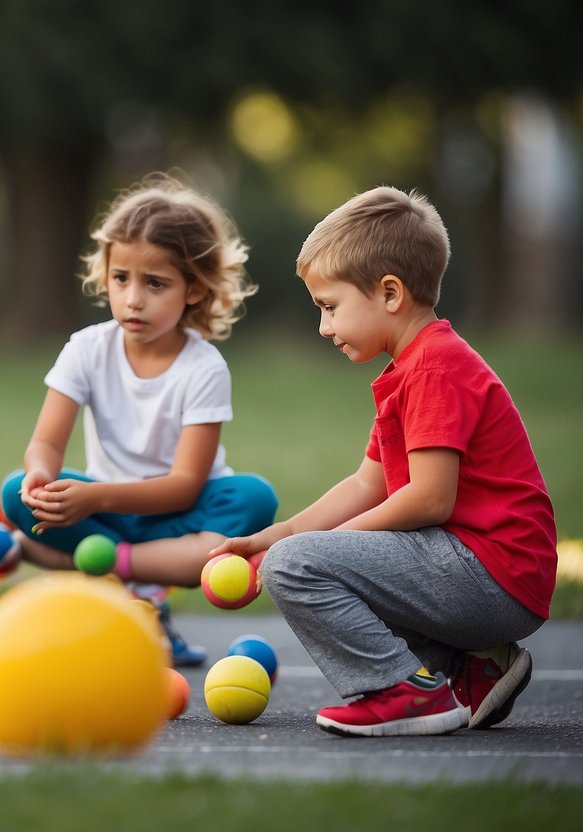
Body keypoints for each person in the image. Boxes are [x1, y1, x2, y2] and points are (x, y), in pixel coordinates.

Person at [212, 185, 556, 737]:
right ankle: (474, 668)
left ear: (390, 293)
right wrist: (278, 537)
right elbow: (366, 483)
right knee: (297, 557)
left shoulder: (435, 370)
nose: (324, 327)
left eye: (330, 307)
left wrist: (320, 552)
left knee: (299, 567)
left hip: (493, 573)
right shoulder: (412, 368)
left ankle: (402, 692)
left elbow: (429, 498)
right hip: (486, 574)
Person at [0, 174, 279, 666]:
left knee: (256, 500)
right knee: (14, 492)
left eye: (155, 284)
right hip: (107, 511)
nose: (133, 299)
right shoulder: (86, 348)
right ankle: (139, 587)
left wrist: (95, 499)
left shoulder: (204, 367)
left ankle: (112, 571)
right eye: (121, 278)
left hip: (175, 511)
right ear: (104, 275)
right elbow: (45, 443)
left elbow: (187, 485)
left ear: (193, 289)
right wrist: (42, 477)